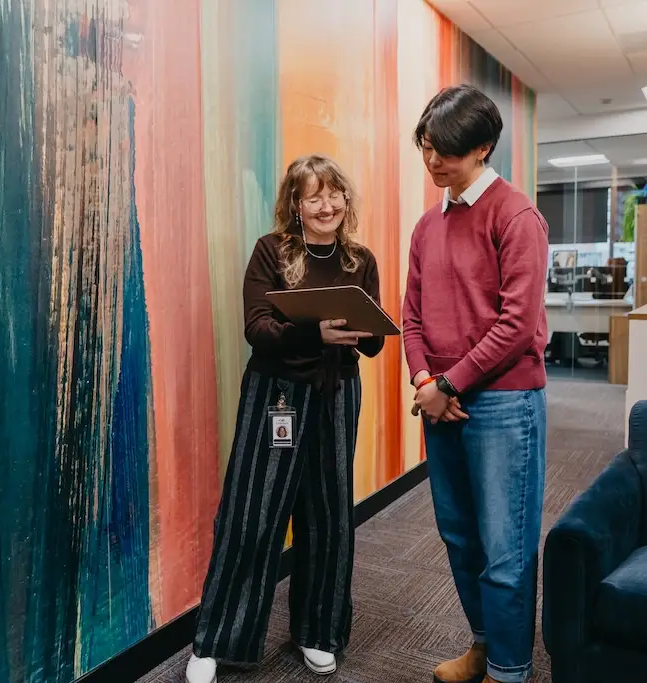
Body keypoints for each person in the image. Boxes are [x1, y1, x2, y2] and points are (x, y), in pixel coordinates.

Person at [186, 154, 386, 683]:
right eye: (314, 196)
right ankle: (216, 641)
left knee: (329, 518)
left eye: (334, 194)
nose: (327, 206)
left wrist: (366, 331)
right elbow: (257, 328)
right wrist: (311, 333)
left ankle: (318, 633)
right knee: (251, 516)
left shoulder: (359, 260)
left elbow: (371, 347)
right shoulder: (270, 252)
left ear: (346, 199)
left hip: (336, 394)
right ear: (295, 205)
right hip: (276, 395)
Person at [401, 84, 550, 683]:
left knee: (506, 549)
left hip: (504, 403)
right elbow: (410, 314)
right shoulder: (426, 226)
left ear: (483, 147)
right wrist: (424, 380)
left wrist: (450, 385)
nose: (435, 162)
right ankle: (486, 645)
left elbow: (516, 325)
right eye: (428, 148)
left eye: (448, 154)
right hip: (443, 399)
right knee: (461, 538)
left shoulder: (516, 215)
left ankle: (511, 672)